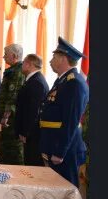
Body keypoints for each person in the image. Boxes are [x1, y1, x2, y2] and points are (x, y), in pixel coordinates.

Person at [38, 37, 89, 187]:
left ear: (63, 59)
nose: (50, 61)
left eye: (54, 57)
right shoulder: (62, 81)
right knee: (56, 190)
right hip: (53, 144)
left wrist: (60, 151)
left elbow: (71, 121)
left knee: (67, 190)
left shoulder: (74, 83)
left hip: (65, 149)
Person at [14, 54, 49, 166]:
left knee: (33, 164)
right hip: (30, 133)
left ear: (29, 65)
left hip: (33, 134)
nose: (21, 65)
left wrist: (25, 132)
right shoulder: (32, 80)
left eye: (23, 63)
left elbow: (33, 111)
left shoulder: (36, 82)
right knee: (29, 162)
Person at [0, 44, 26, 164]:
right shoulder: (12, 70)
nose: (3, 57)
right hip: (8, 118)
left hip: (12, 119)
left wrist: (6, 116)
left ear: (14, 55)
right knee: (5, 150)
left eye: (6, 54)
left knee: (13, 151)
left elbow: (13, 95)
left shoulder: (18, 71)